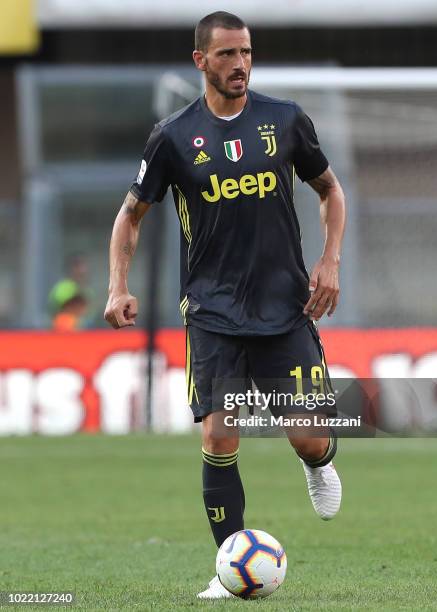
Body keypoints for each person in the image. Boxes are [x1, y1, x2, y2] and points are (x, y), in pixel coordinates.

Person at [104, 11, 346, 599]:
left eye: (247, 53)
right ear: (201, 62)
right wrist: (117, 285)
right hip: (212, 313)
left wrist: (330, 259)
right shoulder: (172, 136)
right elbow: (130, 214)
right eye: (228, 55)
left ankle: (316, 462)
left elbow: (329, 191)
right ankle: (228, 565)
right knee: (218, 433)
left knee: (309, 436)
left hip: (285, 308)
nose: (240, 64)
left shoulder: (285, 120)